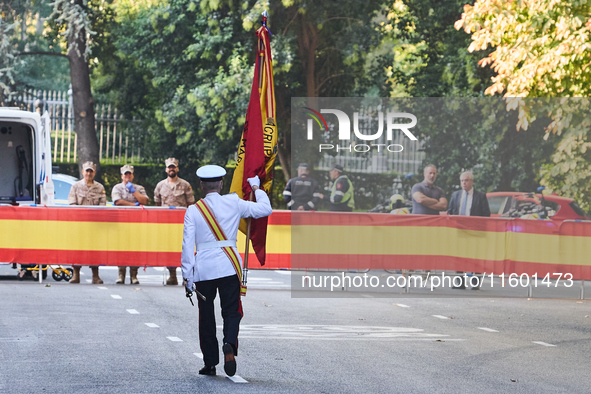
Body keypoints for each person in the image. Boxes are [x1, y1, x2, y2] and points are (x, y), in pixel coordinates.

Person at [181, 165, 272, 377]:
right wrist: (256, 187)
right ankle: (229, 343)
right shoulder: (233, 202)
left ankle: (210, 364)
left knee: (206, 317)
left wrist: (187, 277)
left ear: (201, 186)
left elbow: (187, 246)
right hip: (229, 266)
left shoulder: (193, 210)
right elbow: (265, 209)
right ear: (221, 184)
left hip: (203, 271)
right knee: (232, 312)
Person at [154, 157, 195, 285]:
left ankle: (186, 276)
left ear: (177, 168)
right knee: (169, 249)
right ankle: (172, 275)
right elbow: (157, 203)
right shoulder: (160, 185)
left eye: (173, 167)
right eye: (169, 167)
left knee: (184, 249)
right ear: (166, 169)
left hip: (181, 224)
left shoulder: (185, 185)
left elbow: (190, 203)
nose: (171, 169)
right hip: (166, 225)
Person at [447, 171, 491, 289]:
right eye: (462, 181)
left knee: (476, 255)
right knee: (459, 256)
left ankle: (476, 283)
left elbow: (486, 214)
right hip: (459, 231)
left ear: (471, 181)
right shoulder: (455, 195)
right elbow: (450, 212)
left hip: (475, 232)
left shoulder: (480, 196)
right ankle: (460, 282)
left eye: (466, 180)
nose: (464, 183)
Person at [67, 161, 107, 284]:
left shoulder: (99, 188)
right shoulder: (76, 186)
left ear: (94, 172)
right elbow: (72, 203)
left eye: (91, 171)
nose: (88, 173)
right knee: (77, 248)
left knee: (94, 249)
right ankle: (76, 274)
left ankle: (95, 275)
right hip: (79, 224)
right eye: (87, 171)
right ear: (82, 172)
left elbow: (102, 205)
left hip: (94, 224)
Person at [112, 164, 149, 285]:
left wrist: (133, 191)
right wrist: (134, 205)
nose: (127, 176)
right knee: (121, 248)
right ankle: (121, 275)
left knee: (135, 248)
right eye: (125, 174)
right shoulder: (117, 187)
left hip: (136, 223)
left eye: (129, 174)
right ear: (121, 175)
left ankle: (134, 275)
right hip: (121, 223)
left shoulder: (139, 188)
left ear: (132, 175)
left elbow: (144, 200)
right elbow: (118, 202)